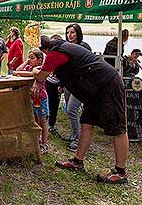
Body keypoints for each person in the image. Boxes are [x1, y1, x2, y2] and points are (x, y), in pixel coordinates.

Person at [34, 35, 129, 184]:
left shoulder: (54, 53)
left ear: (44, 49)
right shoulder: (62, 48)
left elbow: (41, 76)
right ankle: (78, 162)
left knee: (117, 127)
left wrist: (36, 73)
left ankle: (121, 172)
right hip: (93, 89)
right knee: (86, 122)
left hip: (107, 84)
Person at [13, 48, 49, 153]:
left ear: (40, 60)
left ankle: (44, 143)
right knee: (35, 120)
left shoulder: (40, 69)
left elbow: (31, 75)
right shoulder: (29, 67)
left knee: (43, 121)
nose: (30, 60)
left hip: (41, 98)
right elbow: (18, 71)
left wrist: (17, 72)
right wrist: (26, 61)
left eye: (32, 58)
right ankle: (37, 140)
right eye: (29, 58)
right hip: (32, 98)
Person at [64, 23, 92, 152]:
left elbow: (90, 66)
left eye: (73, 32)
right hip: (68, 84)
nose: (70, 35)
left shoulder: (84, 46)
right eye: (68, 32)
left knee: (71, 110)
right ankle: (74, 135)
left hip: (80, 85)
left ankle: (77, 140)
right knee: (71, 112)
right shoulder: (65, 46)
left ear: (78, 33)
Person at [46, 34, 64, 137]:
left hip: (58, 84)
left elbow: (65, 73)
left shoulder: (61, 56)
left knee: (55, 105)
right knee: (47, 102)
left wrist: (61, 85)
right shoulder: (50, 54)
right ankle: (46, 122)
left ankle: (51, 124)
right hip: (49, 82)